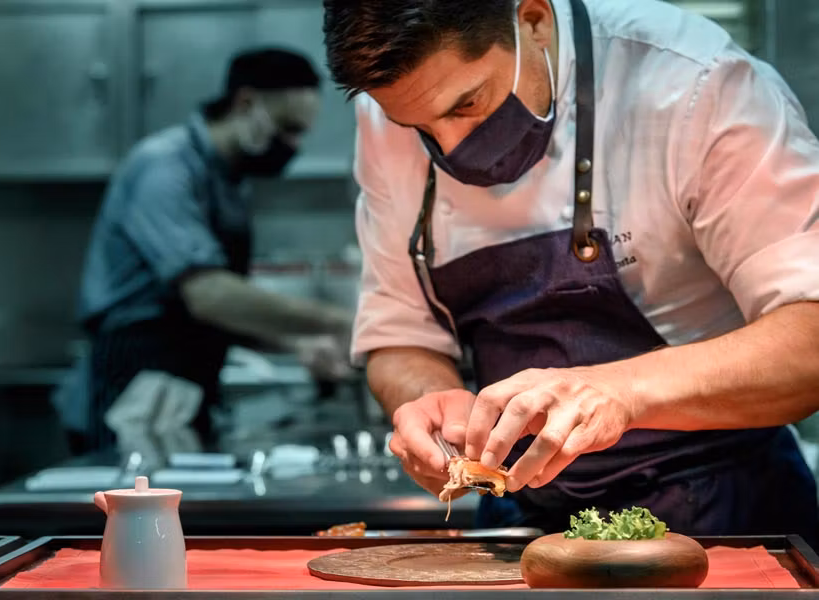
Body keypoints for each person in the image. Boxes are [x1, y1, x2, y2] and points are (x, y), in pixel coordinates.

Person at [322, 0, 819, 544]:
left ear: (532, 20)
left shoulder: (694, 81)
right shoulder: (394, 103)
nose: (451, 146)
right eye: (414, 126)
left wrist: (622, 390)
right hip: (523, 520)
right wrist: (428, 402)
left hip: (724, 511)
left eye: (468, 103)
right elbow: (398, 335)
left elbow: (808, 342)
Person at [61, 47, 353, 451]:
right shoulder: (164, 168)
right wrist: (342, 322)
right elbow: (210, 297)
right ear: (246, 102)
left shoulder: (231, 183)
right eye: (287, 128)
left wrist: (296, 344)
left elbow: (225, 315)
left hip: (183, 383)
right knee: (129, 510)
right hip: (133, 383)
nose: (293, 145)